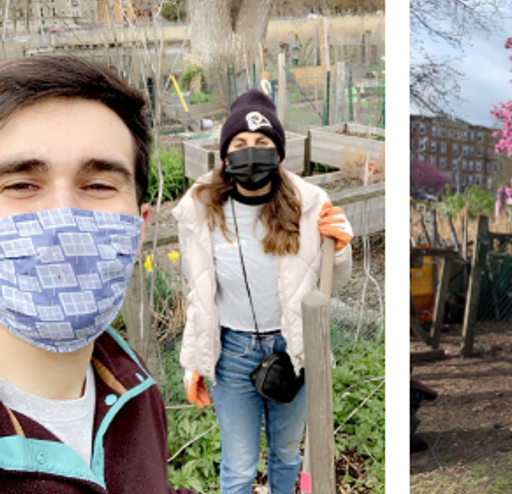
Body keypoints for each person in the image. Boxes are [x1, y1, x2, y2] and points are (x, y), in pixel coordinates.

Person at [0, 56, 193, 492]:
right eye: (21, 185)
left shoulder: (133, 387)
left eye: (99, 185)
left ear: (139, 228)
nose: (63, 218)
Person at [175, 90, 354, 494]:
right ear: (225, 155)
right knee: (239, 465)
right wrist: (194, 362)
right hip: (232, 354)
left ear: (278, 153)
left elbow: (332, 285)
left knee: (287, 454)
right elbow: (197, 293)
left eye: (261, 143)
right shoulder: (201, 210)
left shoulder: (310, 205)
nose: (250, 152)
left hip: (294, 349)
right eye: (239, 143)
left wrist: (340, 250)